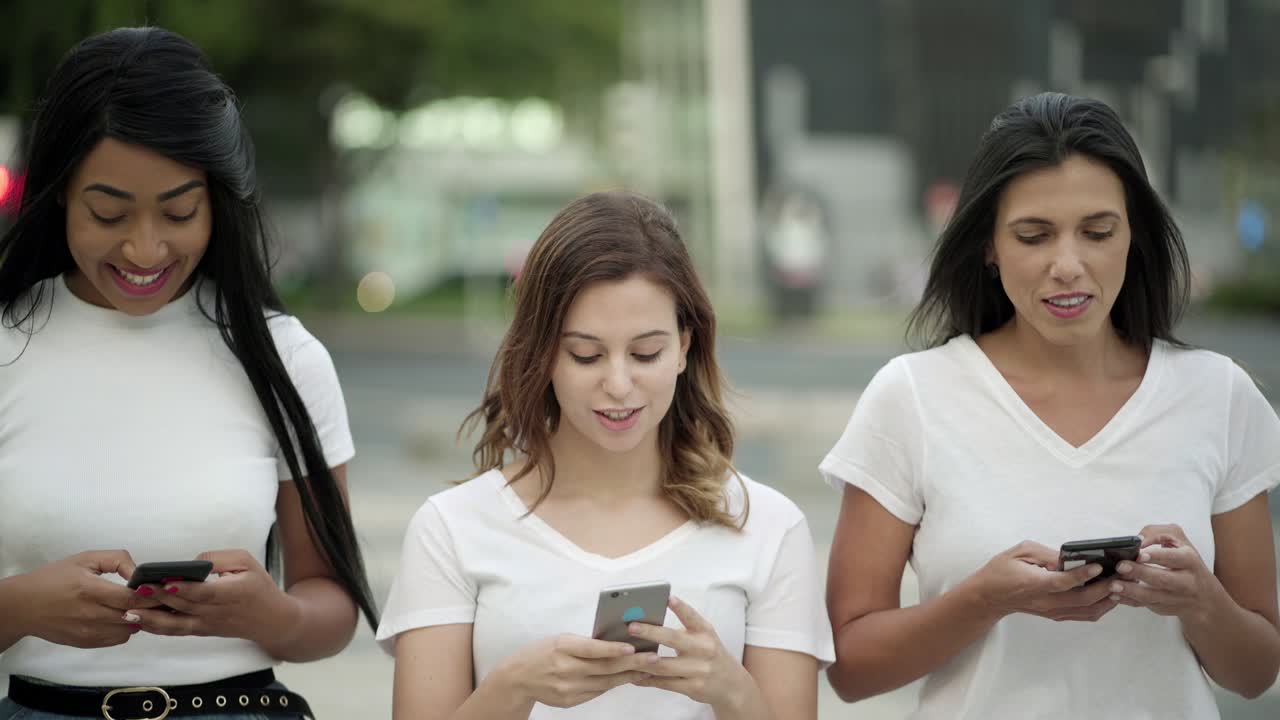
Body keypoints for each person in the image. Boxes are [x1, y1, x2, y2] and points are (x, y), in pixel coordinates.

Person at [822, 92, 1280, 718]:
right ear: (988, 246)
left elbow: (1256, 672)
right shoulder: (912, 398)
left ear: (1134, 237)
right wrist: (985, 599)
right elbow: (849, 667)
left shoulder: (1219, 396)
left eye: (1097, 232)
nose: (1068, 265)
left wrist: (1202, 600)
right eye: (1034, 236)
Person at [0, 27, 376, 719]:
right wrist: (18, 607)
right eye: (108, 212)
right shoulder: (8, 344)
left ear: (218, 201)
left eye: (179, 212)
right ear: (58, 194)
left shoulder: (283, 357)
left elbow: (331, 608)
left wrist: (270, 616)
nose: (145, 247)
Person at [378, 191, 834, 719]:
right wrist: (514, 686)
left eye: (646, 353)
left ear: (686, 346)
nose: (618, 384)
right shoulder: (451, 530)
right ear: (542, 352)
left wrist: (732, 691)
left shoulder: (768, 527)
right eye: (585, 354)